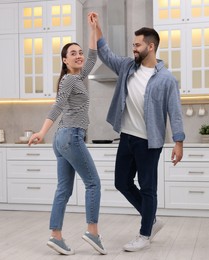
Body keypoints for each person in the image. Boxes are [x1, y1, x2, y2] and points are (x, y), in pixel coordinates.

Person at [90, 12, 185, 252]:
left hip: (149, 142)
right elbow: (106, 53)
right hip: (127, 137)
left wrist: (178, 142)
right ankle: (150, 218)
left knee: (148, 187)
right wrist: (97, 28)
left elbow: (174, 112)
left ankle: (144, 234)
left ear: (150, 47)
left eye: (137, 44)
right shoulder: (126, 67)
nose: (134, 48)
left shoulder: (166, 79)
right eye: (133, 44)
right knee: (121, 182)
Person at [28, 13, 106, 256]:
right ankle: (92, 232)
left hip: (63, 139)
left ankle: (56, 235)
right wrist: (41, 131)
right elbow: (58, 105)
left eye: (79, 51)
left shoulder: (78, 77)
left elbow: (93, 56)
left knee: (64, 189)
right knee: (93, 183)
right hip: (70, 136)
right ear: (64, 60)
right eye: (73, 53)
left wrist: (95, 27)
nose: (79, 55)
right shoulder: (69, 82)